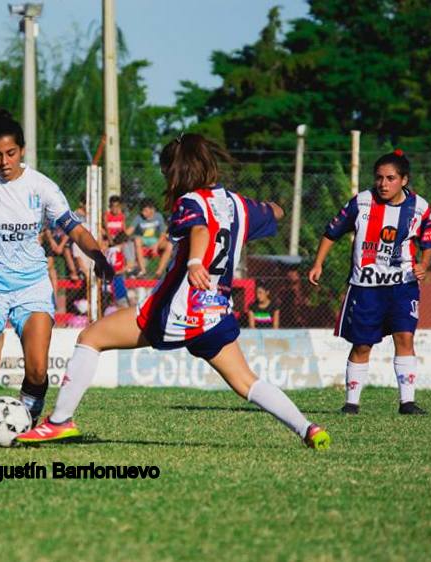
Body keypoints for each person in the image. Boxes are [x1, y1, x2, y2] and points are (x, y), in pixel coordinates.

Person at [17, 133, 331, 451]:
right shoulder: (237, 204)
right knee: (246, 382)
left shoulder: (190, 202)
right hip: (214, 313)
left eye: (167, 173)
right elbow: (276, 211)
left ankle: (59, 422)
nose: (167, 180)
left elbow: (200, 229)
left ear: (177, 171)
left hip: (177, 310)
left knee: (91, 337)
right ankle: (308, 428)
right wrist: (256, 210)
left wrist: (195, 261)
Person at [0, 110, 114, 444]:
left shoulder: (41, 187)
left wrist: (97, 255)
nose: (4, 162)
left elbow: (75, 228)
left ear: (22, 150)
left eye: (10, 154)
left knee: (38, 369)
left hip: (31, 285)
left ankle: (24, 422)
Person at [308, 149, 431, 415]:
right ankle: (351, 403)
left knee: (404, 337)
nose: (383, 184)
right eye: (379, 178)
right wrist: (318, 263)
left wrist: (424, 265)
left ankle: (407, 402)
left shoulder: (420, 207)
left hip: (403, 284)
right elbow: (332, 232)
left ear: (404, 180)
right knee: (363, 344)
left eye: (390, 178)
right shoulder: (361, 202)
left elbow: (429, 240)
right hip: (366, 287)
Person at [126, 198, 173, 278]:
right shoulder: (139, 218)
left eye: (145, 211)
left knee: (169, 245)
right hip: (142, 240)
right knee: (137, 240)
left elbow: (163, 234)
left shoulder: (158, 216)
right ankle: (143, 270)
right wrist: (117, 239)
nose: (143, 213)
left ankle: (159, 272)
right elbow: (130, 231)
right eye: (142, 211)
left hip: (154, 241)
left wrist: (156, 245)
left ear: (152, 210)